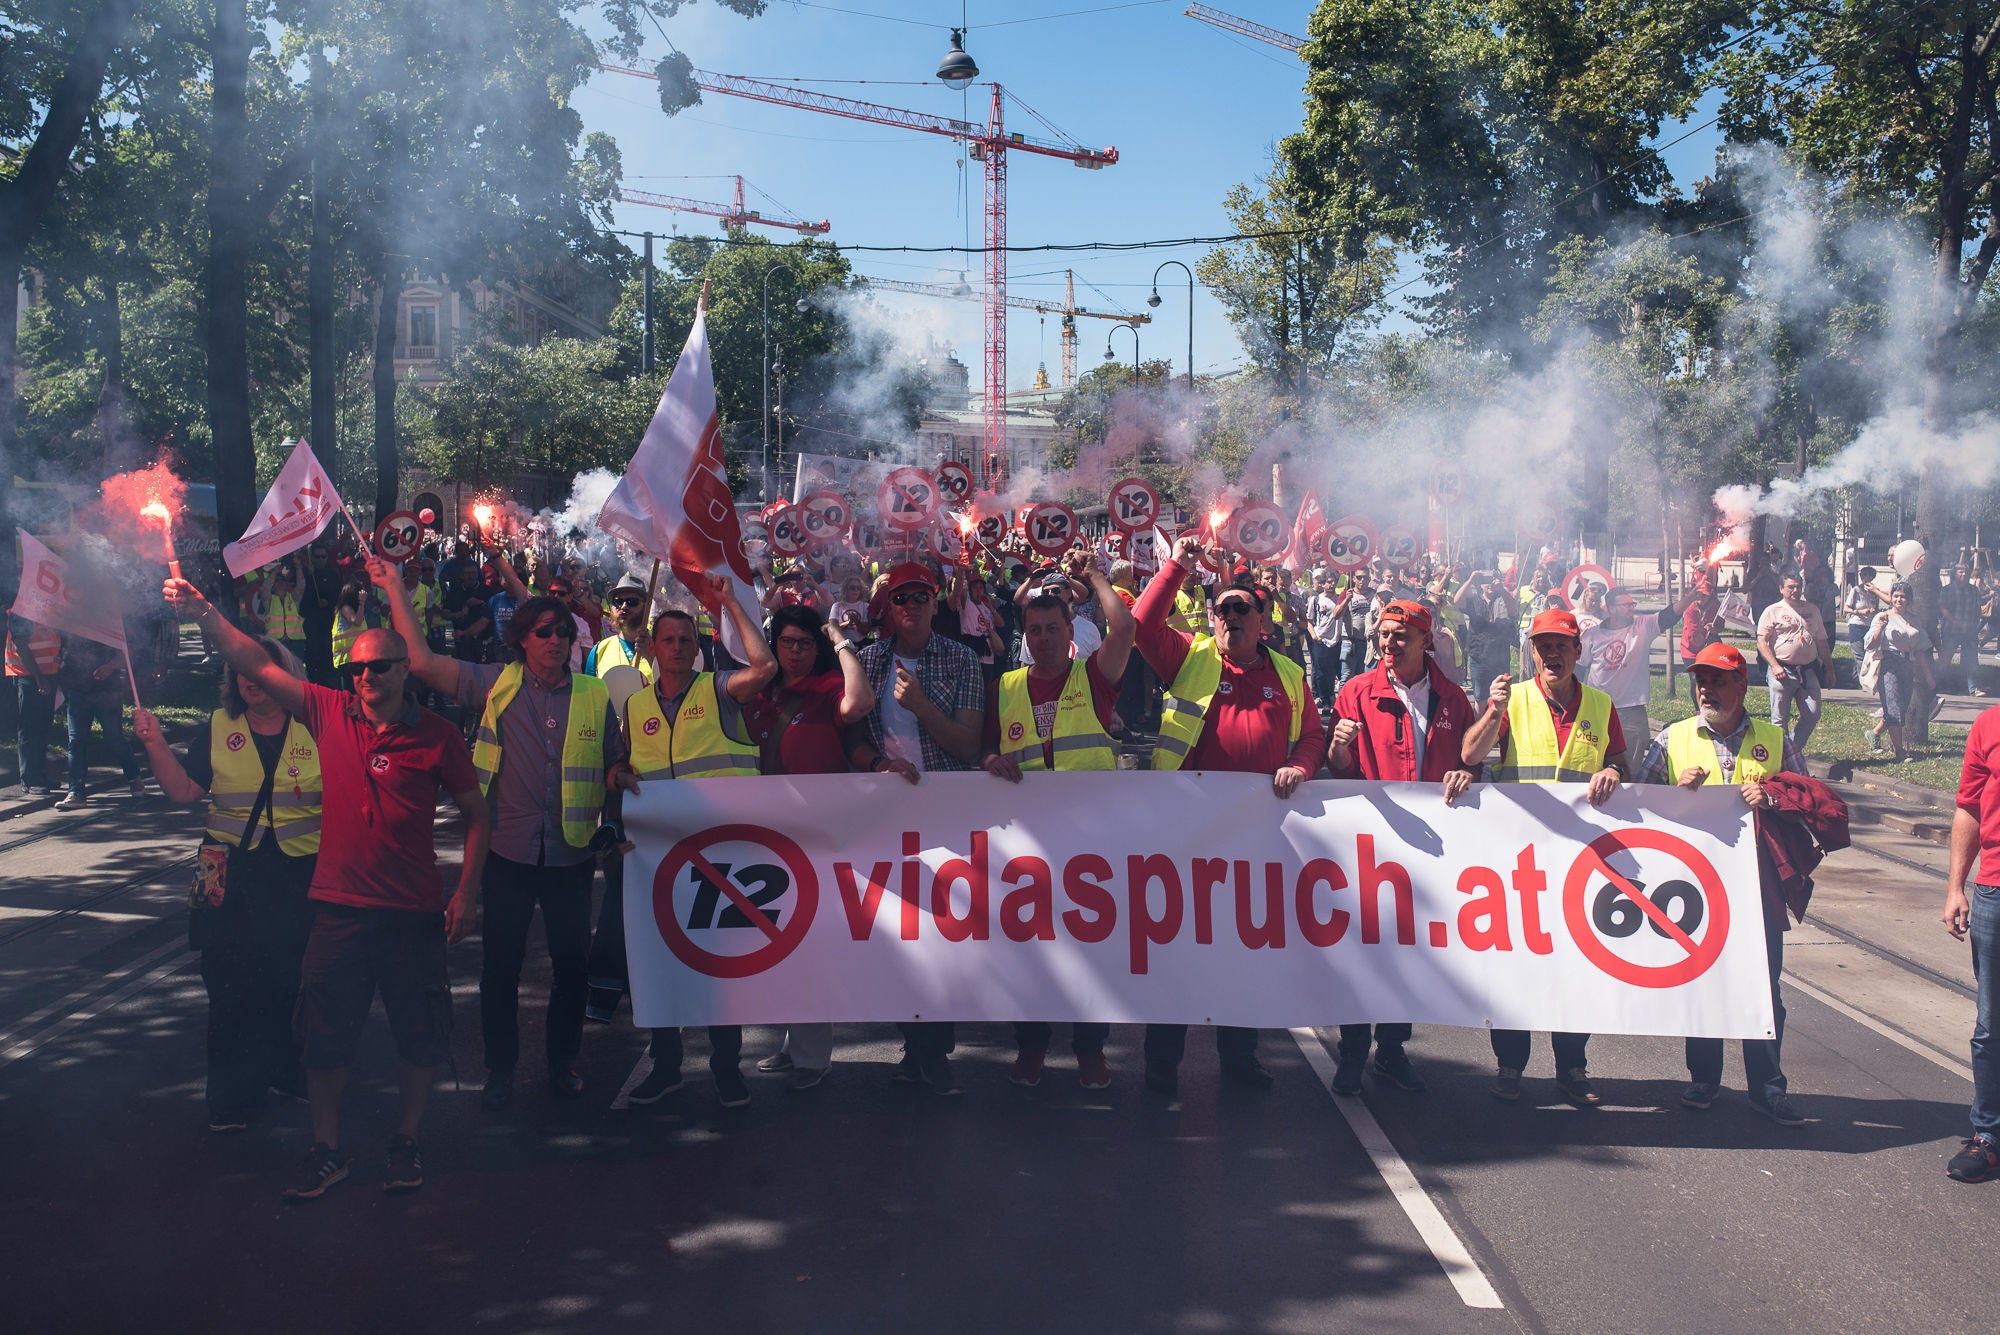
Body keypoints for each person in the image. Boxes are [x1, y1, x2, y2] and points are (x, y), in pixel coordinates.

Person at [164, 574, 489, 1202]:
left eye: (382, 668)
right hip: (338, 911)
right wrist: (203, 610)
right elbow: (254, 659)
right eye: (359, 669)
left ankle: (407, 1140)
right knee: (323, 1035)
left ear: (404, 672)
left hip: (413, 913)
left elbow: (478, 814)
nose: (368, 679)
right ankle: (327, 1149)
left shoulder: (439, 738)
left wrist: (466, 894)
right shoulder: (328, 712)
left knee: (419, 1034)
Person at [371, 556, 625, 1111]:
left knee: (572, 969)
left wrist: (617, 782)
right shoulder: (495, 684)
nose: (556, 640)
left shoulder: (595, 695)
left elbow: (613, 766)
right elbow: (420, 660)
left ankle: (562, 1064)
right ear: (522, 640)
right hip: (507, 852)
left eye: (562, 631)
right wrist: (394, 586)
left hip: (571, 854)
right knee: (500, 971)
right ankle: (501, 1070)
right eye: (544, 632)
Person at [1130, 534, 1327, 1096]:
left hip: (1257, 836)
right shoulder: (1189, 657)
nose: (1229, 616)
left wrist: (1301, 767)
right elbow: (1142, 625)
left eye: (1242, 608)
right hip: (1186, 833)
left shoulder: (1288, 674)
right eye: (1222, 608)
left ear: (1263, 620)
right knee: (1178, 949)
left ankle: (1240, 1056)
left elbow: (1310, 737)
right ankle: (1162, 1062)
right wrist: (1178, 568)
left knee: (1244, 951)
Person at [133, 637, 319, 1132]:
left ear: (283, 675)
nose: (247, 678)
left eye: (259, 667)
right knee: (228, 984)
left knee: (288, 979)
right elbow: (182, 791)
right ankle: (231, 1099)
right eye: (239, 669)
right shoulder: (217, 727)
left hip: (295, 870)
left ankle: (284, 1072)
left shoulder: (318, 727)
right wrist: (154, 743)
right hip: (219, 870)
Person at [1635, 642, 1808, 1125]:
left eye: (1716, 680)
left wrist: (1772, 795)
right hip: (1694, 889)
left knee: (1763, 988)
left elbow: (1808, 798)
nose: (1706, 689)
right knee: (1703, 981)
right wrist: (1672, 794)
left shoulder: (1777, 740)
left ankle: (1768, 1087)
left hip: (1757, 887)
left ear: (1741, 686)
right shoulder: (1672, 739)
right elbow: (1638, 809)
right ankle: (1704, 1078)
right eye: (1701, 680)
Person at [978, 561, 1135, 1091]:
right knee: (1030, 948)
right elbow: (986, 746)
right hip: (1029, 843)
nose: (1043, 638)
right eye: (1034, 630)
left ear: (1072, 634)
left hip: (1091, 844)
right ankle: (1033, 1044)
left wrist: (1094, 579)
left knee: (1089, 950)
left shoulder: (1093, 677)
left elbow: (1127, 628)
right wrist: (988, 760)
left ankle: (1090, 1048)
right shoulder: (1005, 685)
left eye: (1053, 629)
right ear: (1025, 636)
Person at [621, 584, 779, 1109]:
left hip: (720, 854)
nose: (677, 647)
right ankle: (665, 1067)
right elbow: (625, 769)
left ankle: (726, 1068)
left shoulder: (719, 689)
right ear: (654, 647)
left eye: (686, 639)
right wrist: (617, 772)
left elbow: (766, 669)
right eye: (667, 639)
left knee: (716, 967)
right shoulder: (635, 705)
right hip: (658, 859)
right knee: (659, 964)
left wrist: (730, 604)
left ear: (698, 646)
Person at [1460, 607, 1624, 1106]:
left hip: (1579, 863)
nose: (1552, 653)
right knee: (1515, 969)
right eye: (1543, 646)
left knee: (1574, 969)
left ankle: (1572, 1066)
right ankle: (1510, 1064)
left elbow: (1617, 760)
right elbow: (1469, 755)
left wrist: (1614, 772)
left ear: (1578, 651)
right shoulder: (1514, 701)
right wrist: (1492, 710)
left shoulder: (1601, 704)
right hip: (1520, 861)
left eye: (1561, 645)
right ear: (1532, 653)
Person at [1324, 599, 1480, 1096]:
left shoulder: (1454, 700)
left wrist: (1468, 772)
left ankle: (1391, 1050)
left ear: (1425, 640)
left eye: (1399, 636)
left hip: (1428, 851)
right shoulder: (1356, 692)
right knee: (1362, 952)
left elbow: (1473, 764)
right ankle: (1352, 1053)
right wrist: (1339, 746)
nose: (1388, 644)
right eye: (1382, 636)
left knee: (1407, 956)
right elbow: (1340, 772)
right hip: (1370, 846)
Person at [846, 561, 987, 1095]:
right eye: (900, 597)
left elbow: (968, 745)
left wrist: (924, 707)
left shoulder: (961, 659)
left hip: (944, 816)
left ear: (935, 602)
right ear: (888, 604)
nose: (910, 606)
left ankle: (934, 1050)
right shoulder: (868, 661)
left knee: (941, 936)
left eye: (920, 597)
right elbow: (852, 739)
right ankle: (915, 1041)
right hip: (887, 818)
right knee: (899, 936)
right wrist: (875, 765)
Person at [746, 604, 875, 1090]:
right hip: (769, 834)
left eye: (805, 643)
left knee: (809, 945)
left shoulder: (827, 689)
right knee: (777, 944)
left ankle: (811, 1055)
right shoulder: (759, 692)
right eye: (787, 643)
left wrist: (839, 639)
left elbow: (859, 705)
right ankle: (791, 1042)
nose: (796, 652)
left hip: (820, 835)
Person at [1943, 701, 2000, 1180]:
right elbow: (1969, 806)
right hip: (1995, 893)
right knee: (1991, 1027)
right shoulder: (1989, 723)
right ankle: (1988, 1135)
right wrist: (1955, 886)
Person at [1579, 578, 1706, 774]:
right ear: (1611, 609)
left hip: (1632, 712)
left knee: (1630, 767)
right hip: (1598, 709)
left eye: (1632, 604)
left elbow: (1668, 615)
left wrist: (1690, 597)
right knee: (1593, 763)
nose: (1631, 608)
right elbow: (1578, 669)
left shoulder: (1642, 626)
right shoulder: (1592, 635)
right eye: (1626, 605)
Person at [55, 635, 143, 809]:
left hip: (107, 691)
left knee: (114, 739)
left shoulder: (107, 618)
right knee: (76, 742)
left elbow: (130, 647)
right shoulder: (69, 622)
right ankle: (76, 791)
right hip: (78, 690)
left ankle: (134, 777)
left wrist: (111, 666)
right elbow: (63, 649)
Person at [1756, 571, 1833, 751]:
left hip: (1808, 671)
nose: (1796, 590)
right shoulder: (1772, 611)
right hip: (1782, 670)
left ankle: (1793, 750)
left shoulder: (1812, 610)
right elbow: (1762, 642)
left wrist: (1830, 669)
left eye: (1799, 586)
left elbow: (1822, 641)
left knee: (1812, 713)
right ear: (1781, 588)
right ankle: (1780, 758)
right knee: (1779, 720)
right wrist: (1774, 666)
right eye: (1791, 587)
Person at [1865, 583, 1935, 762]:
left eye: (1903, 596)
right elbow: (1870, 645)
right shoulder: (1883, 617)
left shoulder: (1914, 620)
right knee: (1894, 708)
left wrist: (1928, 676)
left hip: (1907, 664)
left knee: (1899, 709)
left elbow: (1920, 650)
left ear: (1909, 599)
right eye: (1895, 596)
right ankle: (1900, 752)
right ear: (1891, 597)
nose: (1899, 600)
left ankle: (1873, 733)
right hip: (1888, 664)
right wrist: (1880, 627)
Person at [6, 613, 60, 796]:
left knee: (43, 726)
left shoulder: (44, 609)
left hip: (48, 674)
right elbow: (22, 646)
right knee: (30, 729)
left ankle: (41, 775)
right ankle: (30, 780)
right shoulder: (20, 612)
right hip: (29, 676)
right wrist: (39, 678)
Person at [582, 573, 654, 681]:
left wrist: (652, 658)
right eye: (618, 601)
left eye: (632, 602)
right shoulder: (599, 650)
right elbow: (590, 693)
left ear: (646, 607)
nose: (624, 606)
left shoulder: (660, 645)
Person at [1941, 563, 1984, 695]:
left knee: (1971, 660)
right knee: (1946, 659)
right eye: (1960, 571)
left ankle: (1973, 688)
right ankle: (1941, 685)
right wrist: (1956, 622)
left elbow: (1977, 610)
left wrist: (1973, 624)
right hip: (1951, 630)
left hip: (1969, 631)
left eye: (1966, 571)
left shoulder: (1973, 590)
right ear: (1954, 573)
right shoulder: (1947, 590)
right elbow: (1943, 609)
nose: (1964, 574)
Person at [1842, 568, 1881, 688]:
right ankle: (1862, 682)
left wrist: (1874, 612)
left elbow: (1877, 609)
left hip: (1870, 625)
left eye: (1868, 575)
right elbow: (1846, 608)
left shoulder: (1875, 592)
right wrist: (1859, 611)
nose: (1865, 578)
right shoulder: (1856, 590)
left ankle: (1857, 677)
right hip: (1857, 624)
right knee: (1859, 654)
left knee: (1868, 653)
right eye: (1863, 575)